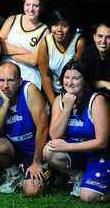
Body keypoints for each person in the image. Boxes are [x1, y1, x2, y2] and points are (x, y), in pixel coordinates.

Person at [43, 59, 110, 202]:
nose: (70, 82)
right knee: (49, 150)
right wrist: (67, 107)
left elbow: (102, 142)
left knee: (88, 197)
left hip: (99, 154)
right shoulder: (60, 100)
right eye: (67, 77)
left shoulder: (97, 100)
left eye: (76, 78)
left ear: (85, 80)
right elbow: (54, 135)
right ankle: (80, 177)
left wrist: (68, 146)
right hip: (78, 154)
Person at [0, 62, 49, 196]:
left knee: (32, 191)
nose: (5, 86)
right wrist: (6, 103)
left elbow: (43, 127)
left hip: (35, 151)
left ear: (19, 81)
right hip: (15, 151)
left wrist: (37, 162)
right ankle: (14, 174)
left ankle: (47, 170)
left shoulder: (29, 90)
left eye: (10, 80)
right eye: (1, 80)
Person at [0, 0, 49, 90]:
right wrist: (23, 51)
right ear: (23, 4)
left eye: (35, 5)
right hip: (6, 75)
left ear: (41, 7)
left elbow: (34, 60)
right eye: (28, 5)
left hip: (29, 76)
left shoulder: (44, 31)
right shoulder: (12, 20)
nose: (31, 9)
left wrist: (8, 52)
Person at [37, 8, 85, 106]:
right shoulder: (45, 43)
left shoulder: (78, 42)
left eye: (64, 26)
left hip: (74, 89)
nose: (59, 30)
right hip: (54, 90)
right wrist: (54, 103)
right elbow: (45, 76)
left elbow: (79, 74)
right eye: (55, 25)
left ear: (70, 27)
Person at [81, 22, 110, 97]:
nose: (103, 41)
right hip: (91, 97)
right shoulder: (87, 54)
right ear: (94, 37)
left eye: (108, 37)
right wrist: (103, 83)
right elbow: (83, 82)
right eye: (100, 36)